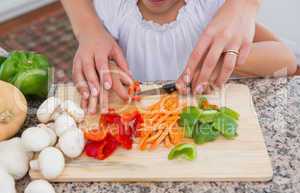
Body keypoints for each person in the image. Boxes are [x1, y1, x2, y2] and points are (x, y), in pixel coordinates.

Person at [61, 0, 297, 114]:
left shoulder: (209, 7)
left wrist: (226, 62)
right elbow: (104, 56)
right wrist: (109, 70)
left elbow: (286, 60)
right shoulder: (115, 8)